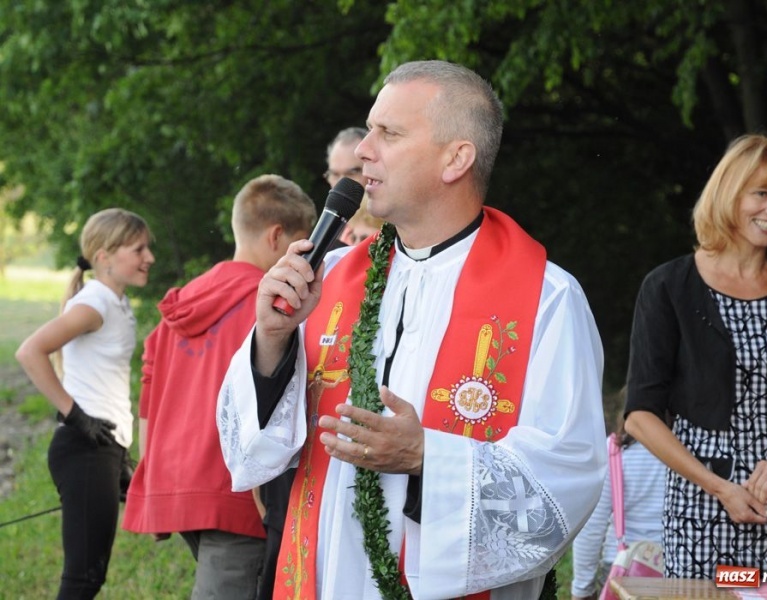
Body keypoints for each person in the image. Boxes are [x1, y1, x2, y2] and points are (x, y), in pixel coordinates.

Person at [217, 59, 606, 599]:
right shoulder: (329, 276)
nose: (363, 150)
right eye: (368, 129)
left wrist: (427, 458)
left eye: (389, 133)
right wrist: (272, 339)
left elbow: (565, 478)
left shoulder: (546, 298)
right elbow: (254, 448)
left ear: (456, 159)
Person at [624, 134, 767, 579]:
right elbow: (639, 416)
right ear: (730, 192)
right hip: (702, 511)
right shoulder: (669, 286)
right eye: (762, 193)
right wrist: (719, 488)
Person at [121, 175, 316, 600]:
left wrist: (151, 485)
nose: (307, 259)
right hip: (237, 495)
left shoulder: (185, 299)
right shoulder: (271, 310)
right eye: (301, 245)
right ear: (276, 236)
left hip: (178, 484)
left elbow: (148, 402)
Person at [16, 208, 155, 599]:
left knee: (89, 578)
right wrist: (77, 416)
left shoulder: (114, 301)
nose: (149, 257)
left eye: (148, 248)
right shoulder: (95, 304)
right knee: (83, 579)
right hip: (84, 447)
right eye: (138, 249)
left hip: (103, 447)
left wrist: (119, 453)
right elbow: (30, 351)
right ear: (104, 256)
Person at [571, 409, 666, 600]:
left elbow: (592, 524)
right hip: (675, 568)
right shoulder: (689, 452)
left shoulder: (614, 451)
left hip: (621, 566)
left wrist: (582, 588)